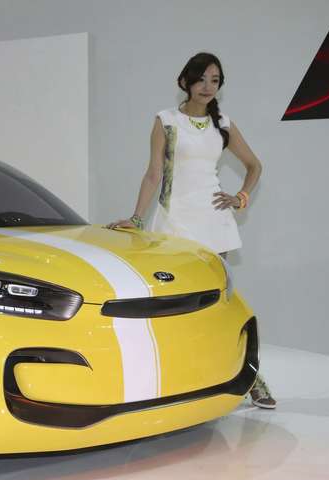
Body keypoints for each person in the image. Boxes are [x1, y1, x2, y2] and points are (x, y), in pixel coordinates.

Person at [107, 52, 275, 409]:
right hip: (174, 223)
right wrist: (137, 219)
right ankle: (174, 379)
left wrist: (241, 198)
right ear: (185, 81)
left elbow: (254, 165)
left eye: (215, 80)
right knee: (173, 305)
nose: (207, 87)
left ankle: (249, 375)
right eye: (201, 79)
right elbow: (153, 174)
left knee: (219, 306)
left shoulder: (223, 123)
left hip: (214, 223)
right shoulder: (166, 120)